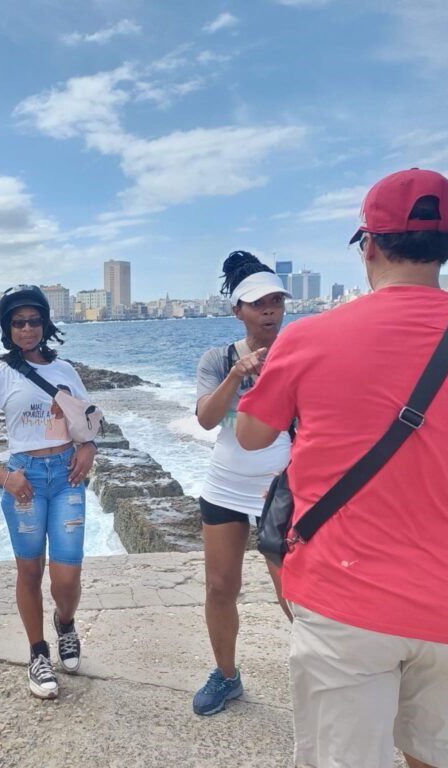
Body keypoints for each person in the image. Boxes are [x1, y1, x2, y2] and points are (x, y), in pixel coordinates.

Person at [236, 169, 448, 768]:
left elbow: (251, 437)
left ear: (371, 246)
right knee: (439, 758)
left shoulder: (309, 338)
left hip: (343, 599)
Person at [0, 285, 97, 700]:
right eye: (18, 322)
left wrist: (88, 448)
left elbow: (87, 424)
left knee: (67, 575)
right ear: (7, 328)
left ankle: (65, 623)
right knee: (30, 571)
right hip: (26, 481)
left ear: (45, 323)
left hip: (67, 476)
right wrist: (3, 476)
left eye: (34, 321)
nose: (27, 329)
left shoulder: (66, 371)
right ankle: (38, 653)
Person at [191, 251, 293, 716]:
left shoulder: (300, 354)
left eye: (277, 300)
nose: (270, 310)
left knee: (295, 589)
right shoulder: (218, 359)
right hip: (225, 485)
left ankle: (328, 672)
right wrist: (237, 374)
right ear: (238, 310)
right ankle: (226, 676)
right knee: (219, 587)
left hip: (282, 486)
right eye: (258, 303)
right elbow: (208, 420)